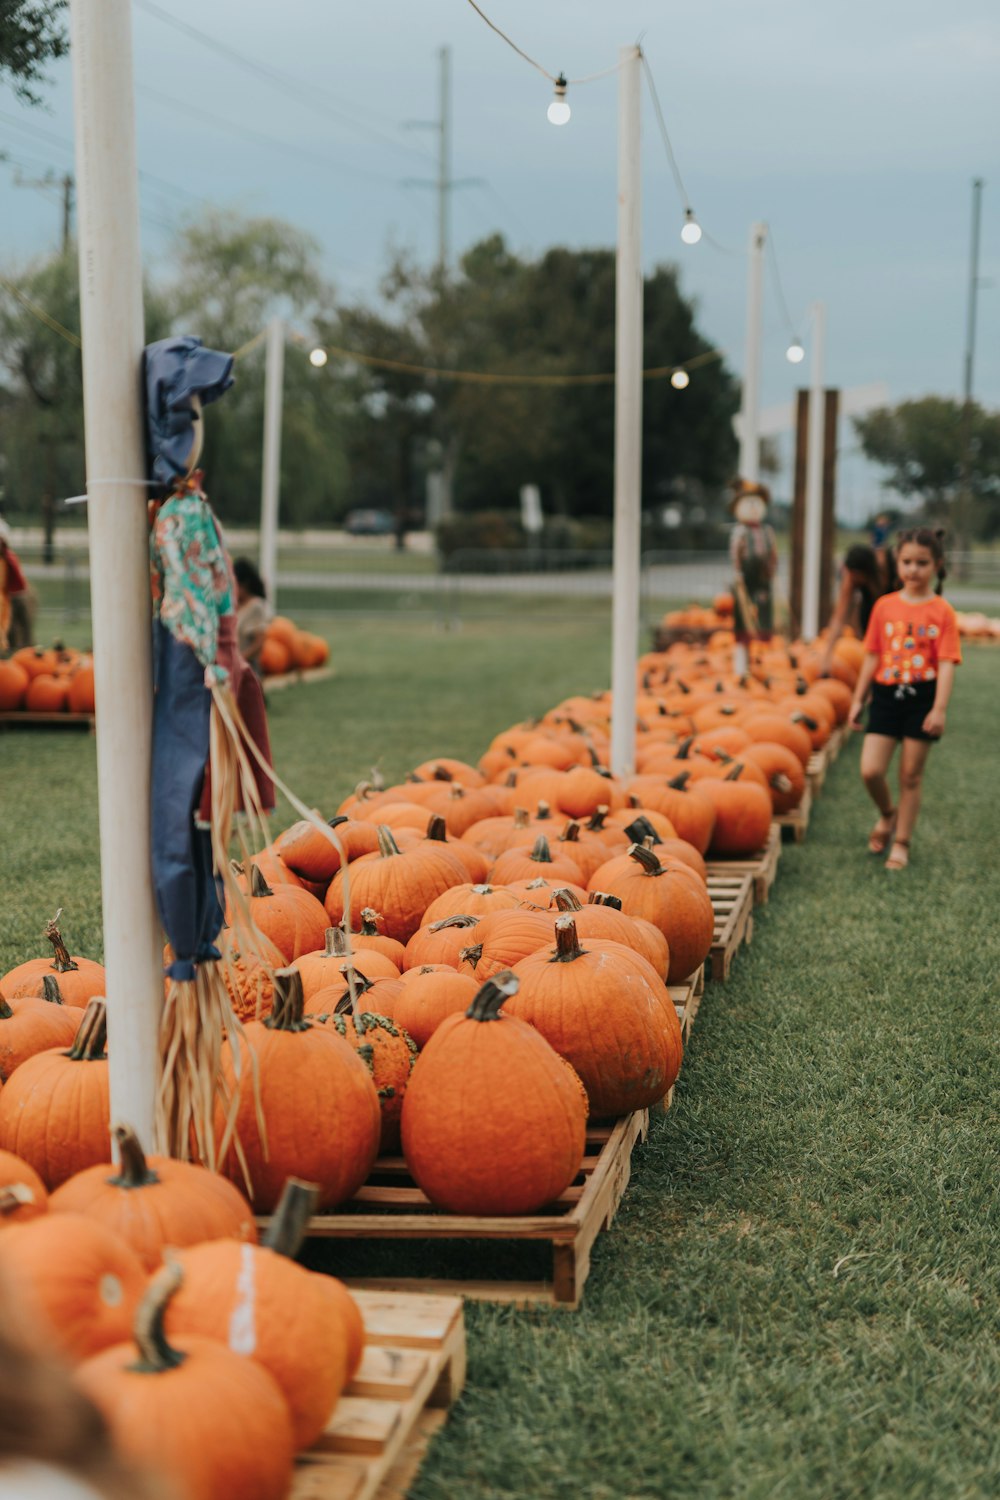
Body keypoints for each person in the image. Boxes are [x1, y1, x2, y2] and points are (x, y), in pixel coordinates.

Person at [847, 528, 961, 872]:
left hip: (922, 699)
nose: (913, 570)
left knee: (911, 776)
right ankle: (887, 814)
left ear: (937, 566)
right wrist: (858, 699)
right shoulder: (884, 607)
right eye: (907, 562)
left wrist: (939, 708)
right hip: (885, 697)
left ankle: (902, 842)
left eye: (922, 563)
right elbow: (871, 656)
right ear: (897, 562)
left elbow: (946, 663)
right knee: (870, 770)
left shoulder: (942, 612)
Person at [818, 543, 893, 675]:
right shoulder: (851, 578)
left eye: (855, 575)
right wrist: (827, 655)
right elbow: (838, 618)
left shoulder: (889, 564)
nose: (851, 578)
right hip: (871, 607)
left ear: (866, 572)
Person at [728, 478, 778, 678]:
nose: (754, 509)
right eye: (749, 504)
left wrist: (772, 567)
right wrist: (738, 573)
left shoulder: (767, 531)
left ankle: (761, 663)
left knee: (764, 617)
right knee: (744, 619)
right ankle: (742, 666)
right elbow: (735, 555)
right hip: (745, 579)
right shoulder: (740, 532)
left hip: (763, 578)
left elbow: (772, 552)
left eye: (757, 504)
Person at [232, 557, 270, 673]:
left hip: (247, 671)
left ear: (245, 584)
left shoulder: (255, 607)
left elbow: (259, 642)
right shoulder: (235, 605)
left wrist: (240, 659)